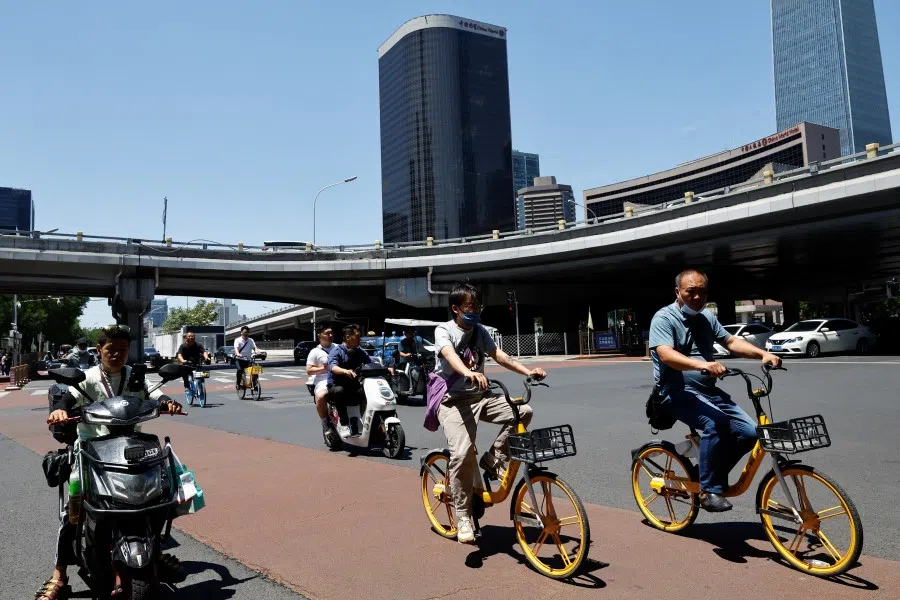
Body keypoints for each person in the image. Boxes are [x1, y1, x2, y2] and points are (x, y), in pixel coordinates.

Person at [40, 324, 183, 599]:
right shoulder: (87, 377)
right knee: (75, 505)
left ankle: (155, 549)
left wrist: (167, 401)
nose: (117, 355)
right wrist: (59, 410)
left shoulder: (136, 376)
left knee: (160, 492)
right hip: (93, 450)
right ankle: (59, 574)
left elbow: (155, 394)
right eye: (111, 349)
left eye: (122, 350)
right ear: (99, 350)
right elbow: (67, 398)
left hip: (131, 449)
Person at [649, 269, 782, 513]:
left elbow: (730, 342)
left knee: (752, 434)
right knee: (717, 423)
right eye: (691, 291)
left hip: (707, 392)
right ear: (678, 292)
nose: (697, 297)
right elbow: (666, 354)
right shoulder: (664, 318)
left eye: (702, 292)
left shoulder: (706, 317)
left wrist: (763, 353)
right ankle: (709, 490)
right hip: (676, 391)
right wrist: (702, 364)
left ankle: (709, 474)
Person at [435, 282, 547, 544]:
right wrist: (467, 372)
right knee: (461, 454)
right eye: (469, 307)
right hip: (454, 402)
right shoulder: (444, 330)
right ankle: (463, 516)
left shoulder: (479, 331)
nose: (475, 311)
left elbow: (499, 355)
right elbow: (449, 354)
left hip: (481, 396)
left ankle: (492, 459)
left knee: (523, 412)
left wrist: (528, 371)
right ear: (456, 309)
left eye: (477, 306)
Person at [327, 324, 391, 437]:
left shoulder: (359, 350)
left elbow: (370, 361)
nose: (359, 339)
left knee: (366, 392)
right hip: (337, 384)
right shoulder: (336, 351)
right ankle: (344, 423)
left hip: (353, 384)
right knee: (339, 391)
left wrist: (385, 367)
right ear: (347, 337)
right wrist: (345, 371)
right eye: (357, 336)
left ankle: (358, 419)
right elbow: (333, 367)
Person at [305, 324, 337, 441]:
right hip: (323, 380)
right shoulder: (315, 352)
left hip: (339, 379)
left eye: (331, 333)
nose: (330, 335)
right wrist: (323, 369)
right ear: (319, 335)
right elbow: (308, 371)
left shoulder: (339, 347)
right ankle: (325, 423)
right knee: (321, 396)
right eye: (327, 333)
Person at [177, 331, 212, 402]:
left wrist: (206, 357)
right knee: (184, 372)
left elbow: (204, 352)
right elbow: (179, 355)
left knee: (201, 376)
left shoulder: (198, 345)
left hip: (197, 364)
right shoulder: (183, 346)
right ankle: (186, 386)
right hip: (187, 364)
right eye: (189, 336)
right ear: (186, 337)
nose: (191, 337)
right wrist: (183, 360)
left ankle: (201, 389)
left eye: (192, 336)